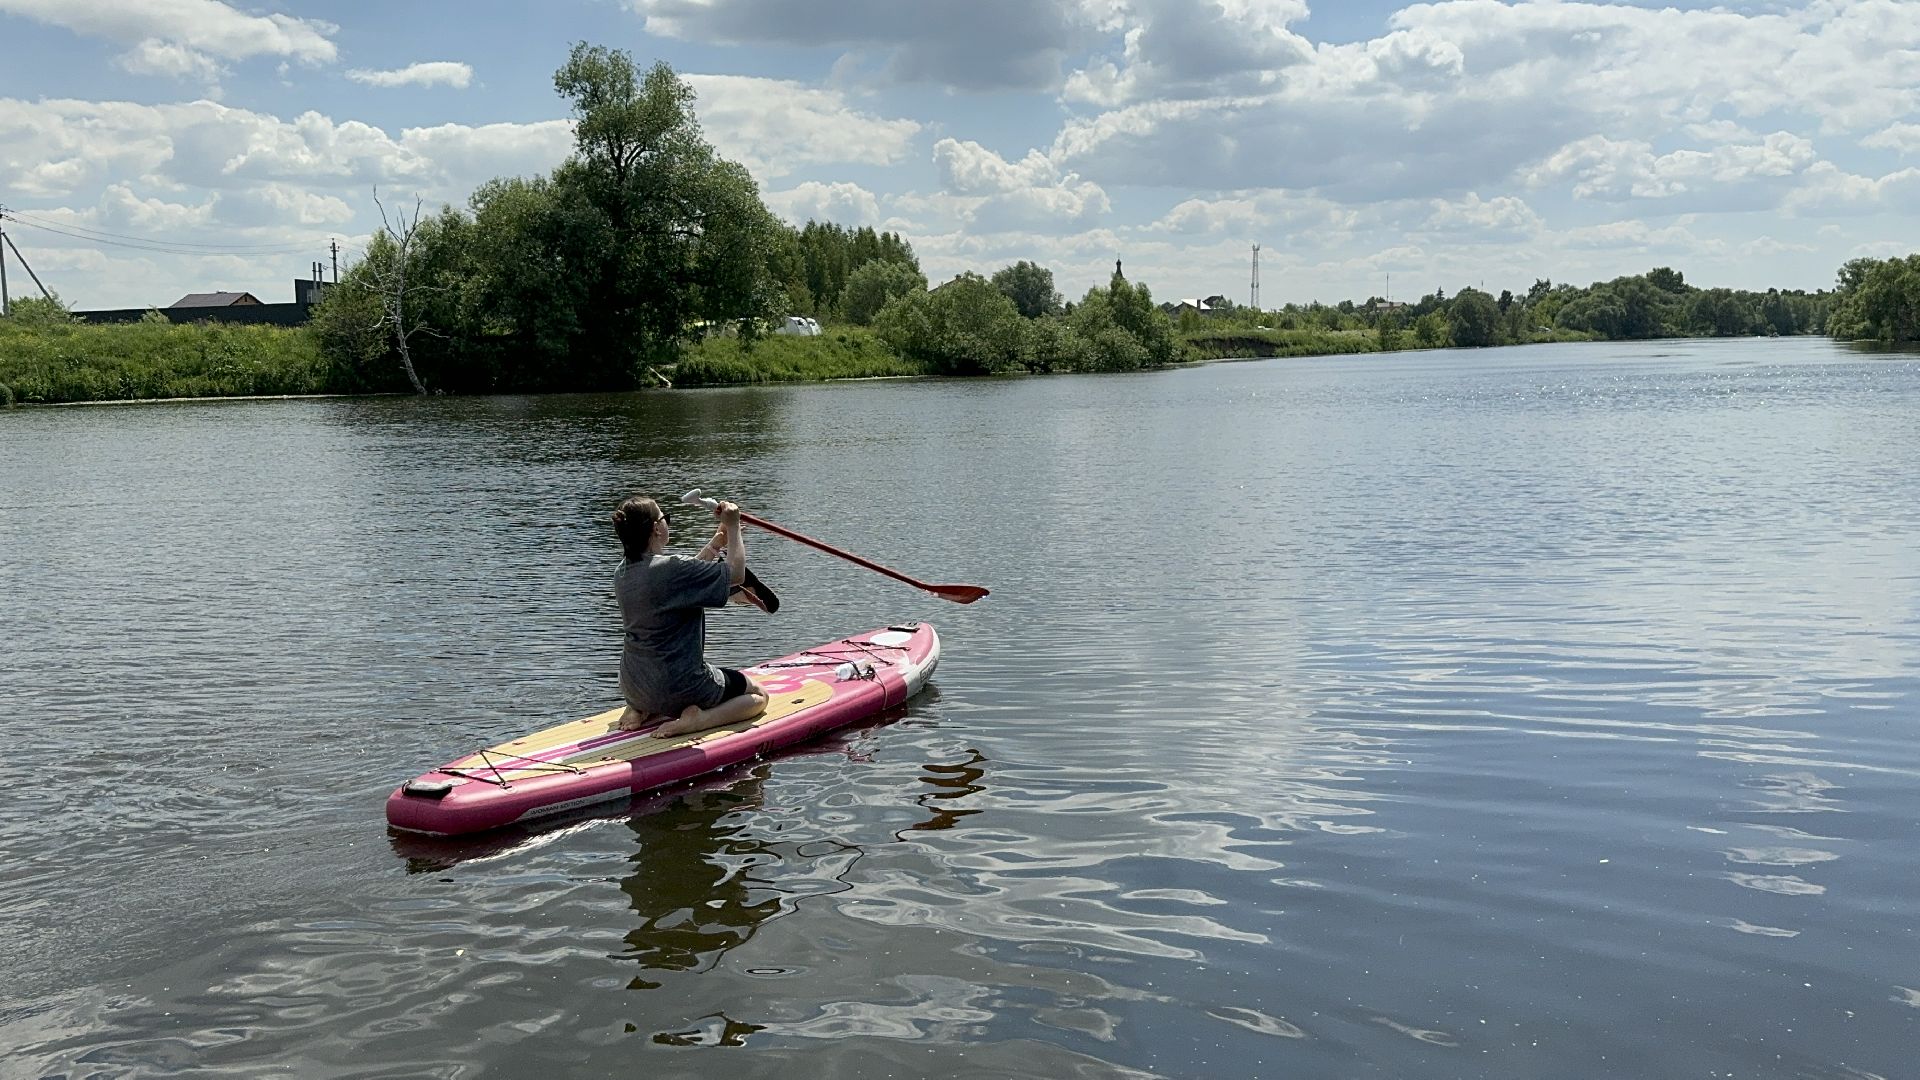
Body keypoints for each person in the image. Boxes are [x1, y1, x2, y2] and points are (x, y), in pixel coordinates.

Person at [610, 495, 769, 739]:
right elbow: (736, 574)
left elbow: (681, 580)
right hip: (682, 686)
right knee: (758, 696)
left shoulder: (621, 573)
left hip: (634, 685)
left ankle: (639, 709)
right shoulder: (671, 568)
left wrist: (717, 543)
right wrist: (735, 527)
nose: (667, 523)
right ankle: (700, 720)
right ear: (656, 528)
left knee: (651, 680)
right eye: (666, 518)